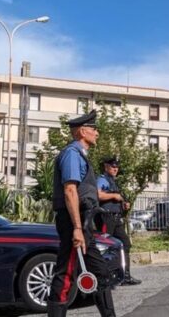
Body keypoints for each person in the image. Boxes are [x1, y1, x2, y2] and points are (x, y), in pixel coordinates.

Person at [48, 110, 116, 317]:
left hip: (84, 224)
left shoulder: (81, 156)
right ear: (82, 131)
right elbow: (70, 190)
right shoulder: (71, 153)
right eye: (94, 129)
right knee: (67, 272)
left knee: (101, 273)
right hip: (73, 222)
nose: (97, 133)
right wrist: (77, 228)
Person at [97, 156, 141, 286]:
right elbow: (98, 194)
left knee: (125, 244)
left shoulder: (113, 181)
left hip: (115, 218)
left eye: (117, 167)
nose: (116, 169)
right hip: (106, 218)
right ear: (106, 167)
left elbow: (115, 199)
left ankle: (125, 276)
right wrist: (114, 196)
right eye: (113, 166)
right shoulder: (102, 179)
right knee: (105, 246)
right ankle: (104, 277)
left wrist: (123, 204)